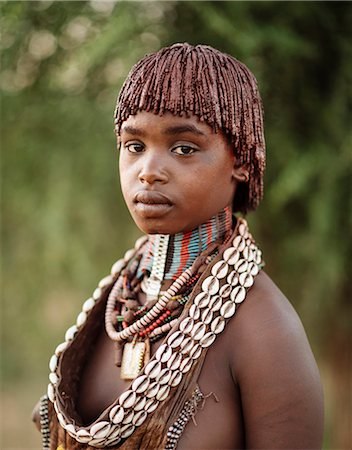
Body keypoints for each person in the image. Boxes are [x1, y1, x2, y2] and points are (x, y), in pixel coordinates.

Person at [33, 43, 324, 449]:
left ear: (242, 159)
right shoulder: (116, 306)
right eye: (135, 146)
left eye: (183, 148)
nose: (149, 172)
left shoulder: (266, 332)